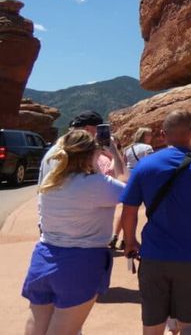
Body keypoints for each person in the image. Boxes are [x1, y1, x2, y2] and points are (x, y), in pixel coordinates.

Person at [121, 110, 191, 335]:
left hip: (153, 256)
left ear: (162, 134)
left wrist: (129, 241)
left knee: (152, 326)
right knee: (190, 325)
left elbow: (129, 210)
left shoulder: (144, 166)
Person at [22, 130, 127, 335]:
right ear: (91, 154)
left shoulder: (51, 182)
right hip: (80, 262)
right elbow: (125, 184)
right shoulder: (96, 185)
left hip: (44, 257)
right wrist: (111, 150)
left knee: (36, 327)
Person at [110, 127, 156, 249]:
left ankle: (115, 235)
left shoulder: (128, 148)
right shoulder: (148, 148)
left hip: (128, 177)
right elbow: (150, 163)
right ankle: (126, 240)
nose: (151, 137)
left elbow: (124, 163)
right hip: (142, 178)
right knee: (136, 210)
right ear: (144, 136)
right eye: (149, 135)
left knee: (126, 207)